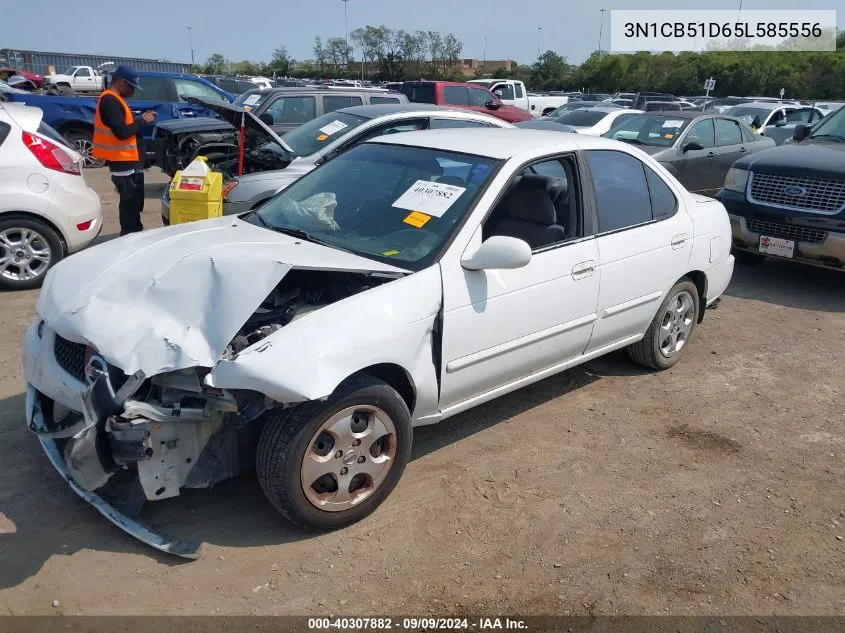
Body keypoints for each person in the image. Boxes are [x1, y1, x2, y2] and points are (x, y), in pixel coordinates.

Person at [92, 65, 157, 236]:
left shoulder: (115, 99)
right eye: (132, 86)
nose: (133, 91)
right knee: (129, 207)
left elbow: (123, 126)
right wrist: (143, 121)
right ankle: (129, 238)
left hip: (129, 164)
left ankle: (134, 234)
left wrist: (138, 120)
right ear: (121, 82)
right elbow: (121, 132)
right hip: (124, 166)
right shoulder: (110, 101)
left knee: (134, 205)